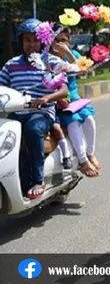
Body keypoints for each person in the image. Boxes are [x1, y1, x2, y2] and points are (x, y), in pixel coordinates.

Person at [0, 18, 69, 199]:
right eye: (27, 40)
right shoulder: (11, 65)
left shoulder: (53, 62)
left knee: (32, 129)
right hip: (15, 113)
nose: (31, 44)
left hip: (41, 113)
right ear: (21, 41)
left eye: (35, 40)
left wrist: (46, 98)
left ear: (42, 41)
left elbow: (64, 90)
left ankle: (38, 180)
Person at [50, 26, 101, 178]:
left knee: (89, 119)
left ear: (69, 41)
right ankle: (83, 160)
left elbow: (83, 71)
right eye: (56, 41)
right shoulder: (48, 58)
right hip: (58, 99)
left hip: (74, 97)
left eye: (63, 41)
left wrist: (68, 53)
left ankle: (90, 153)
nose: (60, 44)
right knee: (73, 122)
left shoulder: (72, 55)